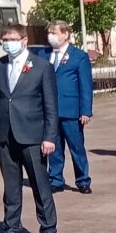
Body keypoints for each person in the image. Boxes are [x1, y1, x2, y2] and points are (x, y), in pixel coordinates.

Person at [0, 23, 59, 233]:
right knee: (11, 185)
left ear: (24, 40)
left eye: (12, 38)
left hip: (33, 136)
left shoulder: (41, 67)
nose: (8, 43)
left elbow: (50, 106)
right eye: (5, 39)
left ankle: (48, 229)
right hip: (5, 136)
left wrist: (49, 137)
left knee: (39, 183)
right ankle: (11, 229)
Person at [44, 21, 94, 194]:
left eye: (54, 32)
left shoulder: (78, 56)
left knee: (76, 147)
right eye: (49, 32)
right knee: (54, 148)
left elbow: (85, 85)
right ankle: (56, 179)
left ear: (65, 34)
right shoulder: (45, 55)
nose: (51, 36)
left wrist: (85, 110)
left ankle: (83, 180)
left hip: (71, 110)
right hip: (50, 112)